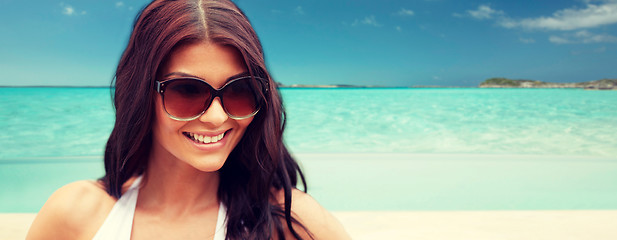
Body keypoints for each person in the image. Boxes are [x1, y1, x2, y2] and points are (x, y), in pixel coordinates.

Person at [26, 0, 350, 239]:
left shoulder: (292, 223)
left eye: (240, 90)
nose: (217, 116)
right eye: (187, 90)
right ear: (141, 94)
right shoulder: (74, 215)